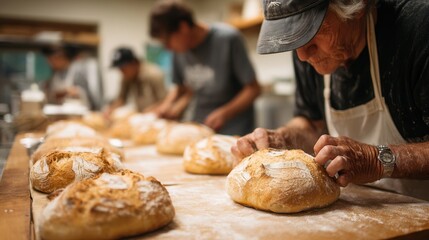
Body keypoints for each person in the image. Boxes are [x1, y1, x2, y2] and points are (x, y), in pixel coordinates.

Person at [232, 0, 429, 200]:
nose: (301, 55)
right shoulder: (307, 49)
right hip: (362, 209)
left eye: (310, 30)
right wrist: (283, 138)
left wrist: (375, 160)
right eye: (295, 38)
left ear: (356, 6)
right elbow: (311, 123)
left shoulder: (418, 29)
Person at [149, 0, 261, 136]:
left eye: (167, 41)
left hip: (234, 130)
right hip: (200, 127)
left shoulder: (227, 39)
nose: (167, 48)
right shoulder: (177, 51)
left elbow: (253, 89)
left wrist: (224, 113)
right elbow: (181, 88)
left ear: (183, 27)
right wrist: (167, 105)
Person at [41, 43, 103, 110]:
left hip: (80, 110)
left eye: (52, 61)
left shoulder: (78, 70)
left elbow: (91, 94)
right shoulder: (55, 75)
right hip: (61, 111)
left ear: (60, 57)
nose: (51, 64)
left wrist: (76, 91)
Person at [106, 47, 167, 115]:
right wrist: (111, 109)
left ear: (134, 63)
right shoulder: (126, 77)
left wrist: (148, 112)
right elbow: (121, 98)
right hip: (142, 116)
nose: (121, 72)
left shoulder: (154, 74)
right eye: (119, 69)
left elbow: (165, 101)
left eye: (123, 68)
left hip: (158, 116)